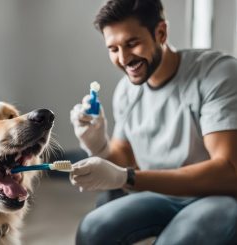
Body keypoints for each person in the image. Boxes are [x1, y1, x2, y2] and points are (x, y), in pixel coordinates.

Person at [69, 0, 237, 244]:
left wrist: (128, 178)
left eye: (132, 43)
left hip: (218, 197)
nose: (124, 58)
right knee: (92, 229)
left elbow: (229, 171)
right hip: (162, 194)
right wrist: (97, 145)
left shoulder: (216, 74)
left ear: (161, 32)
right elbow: (124, 157)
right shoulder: (127, 90)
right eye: (113, 49)